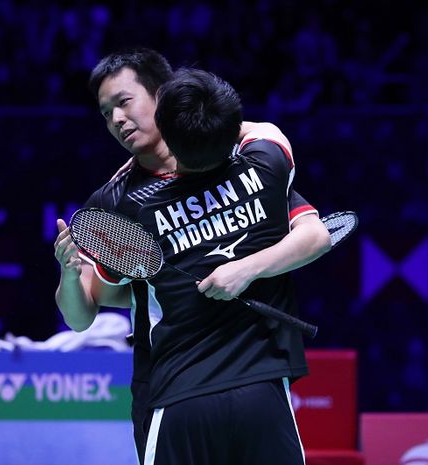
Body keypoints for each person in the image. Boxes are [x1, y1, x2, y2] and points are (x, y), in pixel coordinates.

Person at [54, 48, 324, 464]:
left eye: (124, 102)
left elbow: (314, 234)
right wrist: (71, 274)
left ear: (162, 96)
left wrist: (243, 270)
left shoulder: (246, 162)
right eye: (106, 114)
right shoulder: (118, 202)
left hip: (260, 376)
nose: (117, 120)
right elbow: (85, 312)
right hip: (173, 386)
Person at [136, 68, 331, 465]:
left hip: (180, 399)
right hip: (261, 391)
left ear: (165, 136)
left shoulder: (139, 210)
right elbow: (256, 130)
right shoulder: (269, 161)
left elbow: (108, 295)